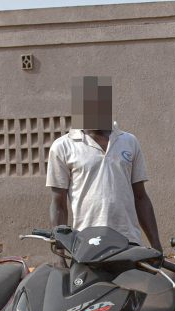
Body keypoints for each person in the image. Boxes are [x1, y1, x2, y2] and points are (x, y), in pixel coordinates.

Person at [46, 75, 162, 250]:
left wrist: (156, 245)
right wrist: (58, 250)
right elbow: (58, 204)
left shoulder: (129, 141)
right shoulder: (63, 146)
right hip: (86, 243)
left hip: (128, 241)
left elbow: (141, 197)